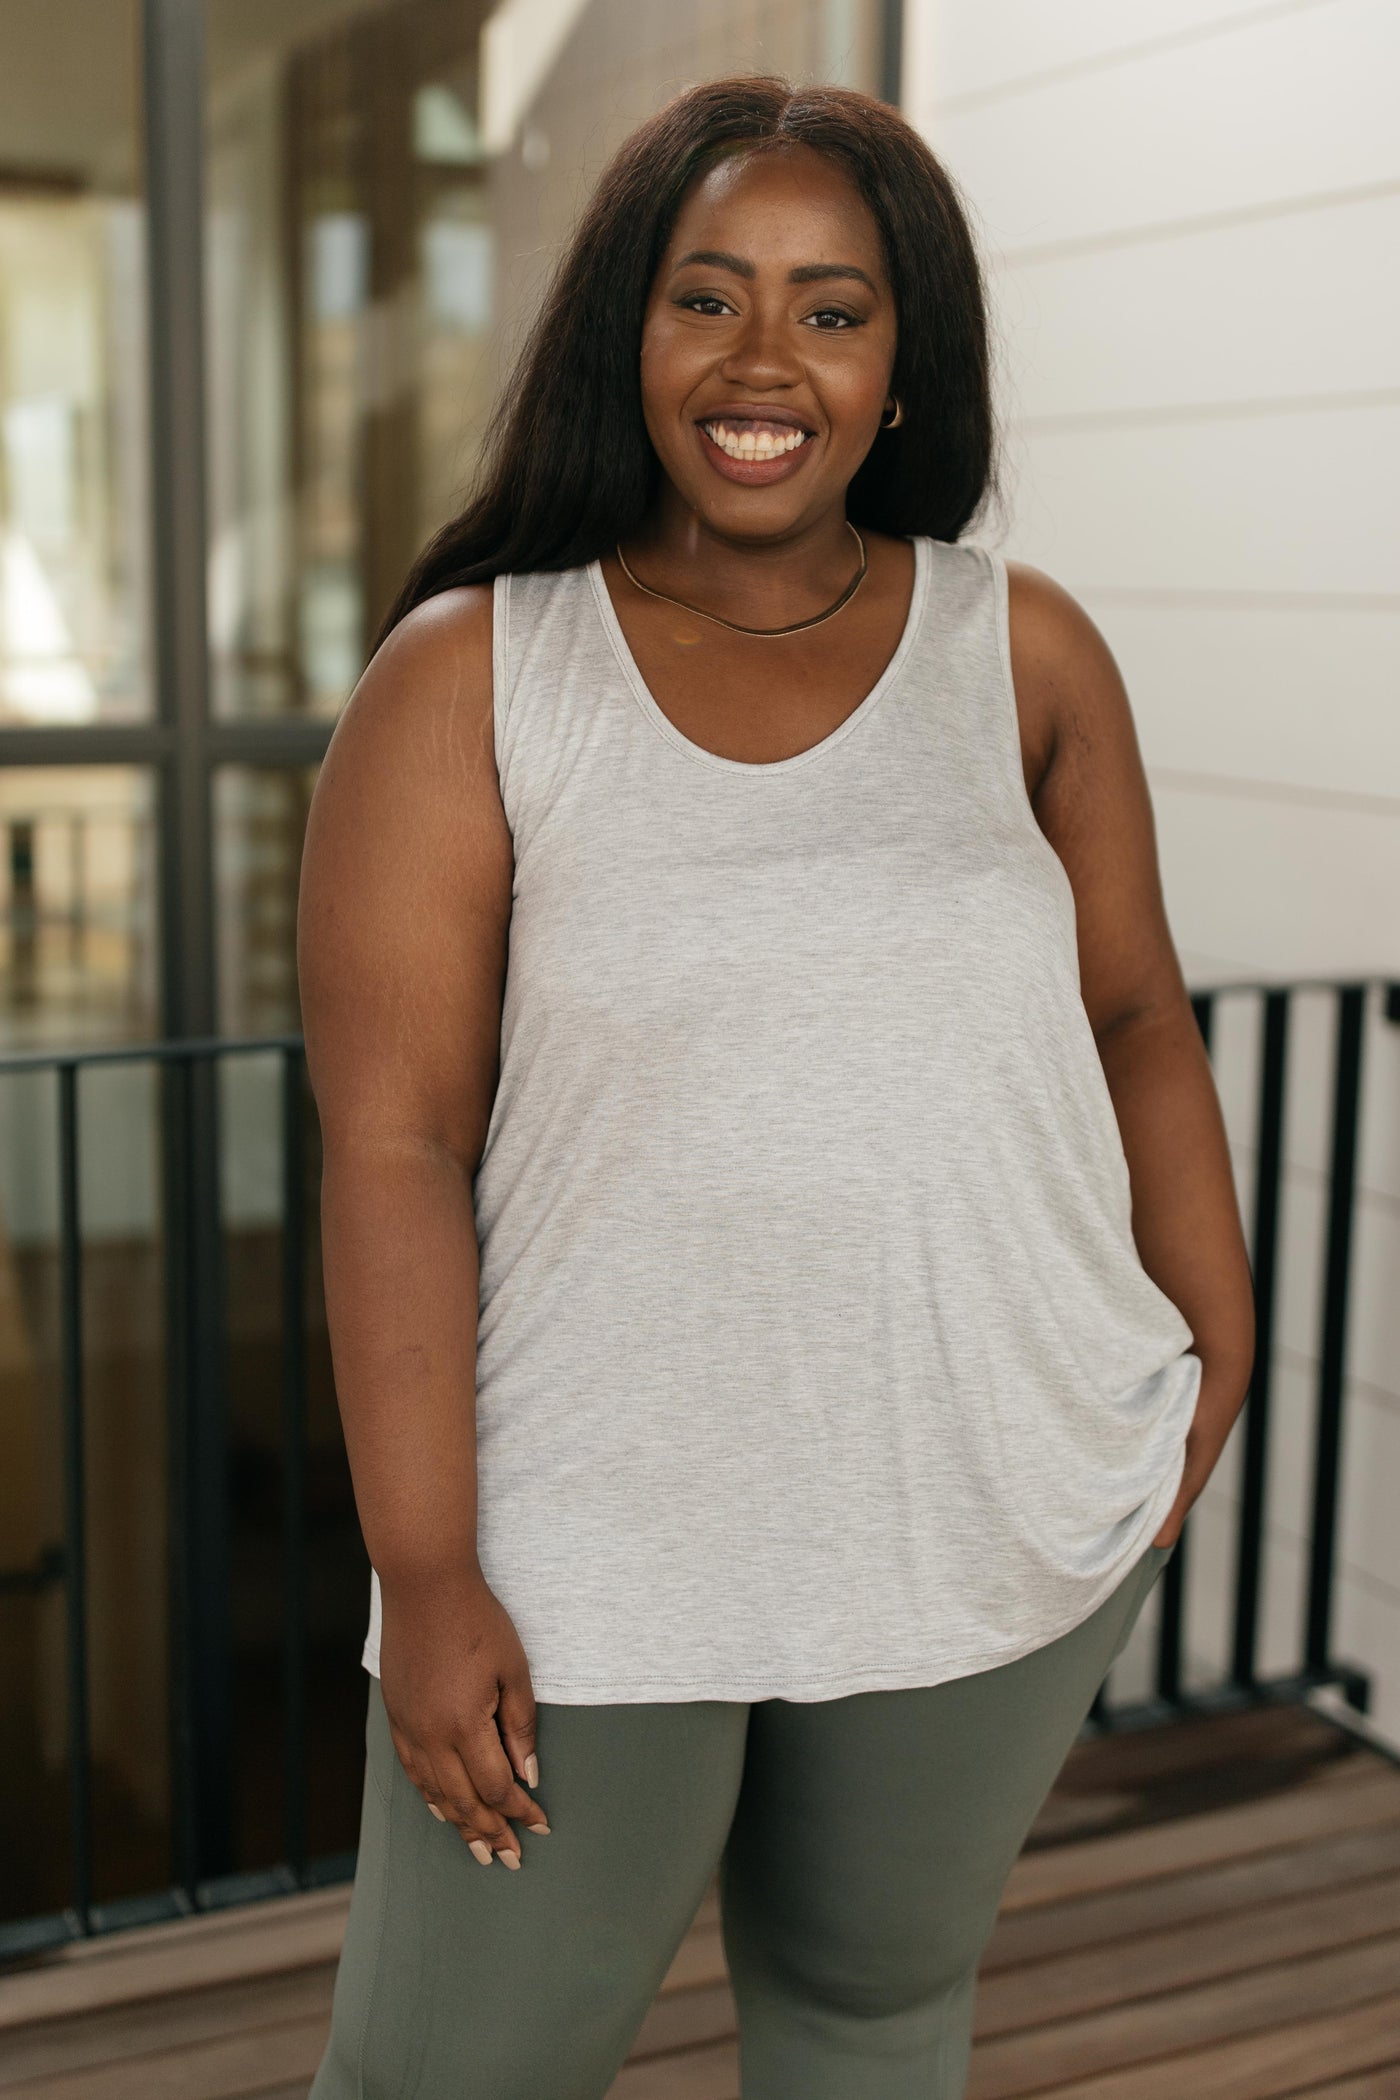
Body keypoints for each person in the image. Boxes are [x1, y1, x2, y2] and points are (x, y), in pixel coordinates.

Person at [299, 73, 1255, 2100]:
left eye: (832, 310)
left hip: (976, 1483)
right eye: (704, 298)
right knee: (441, 2080)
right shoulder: (474, 676)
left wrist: (1212, 1336)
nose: (763, 361)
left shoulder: (1029, 654)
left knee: (871, 2017)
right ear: (619, 340)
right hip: (587, 1539)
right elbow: (397, 1142)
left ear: (904, 363)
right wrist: (429, 1566)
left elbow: (1136, 1019)